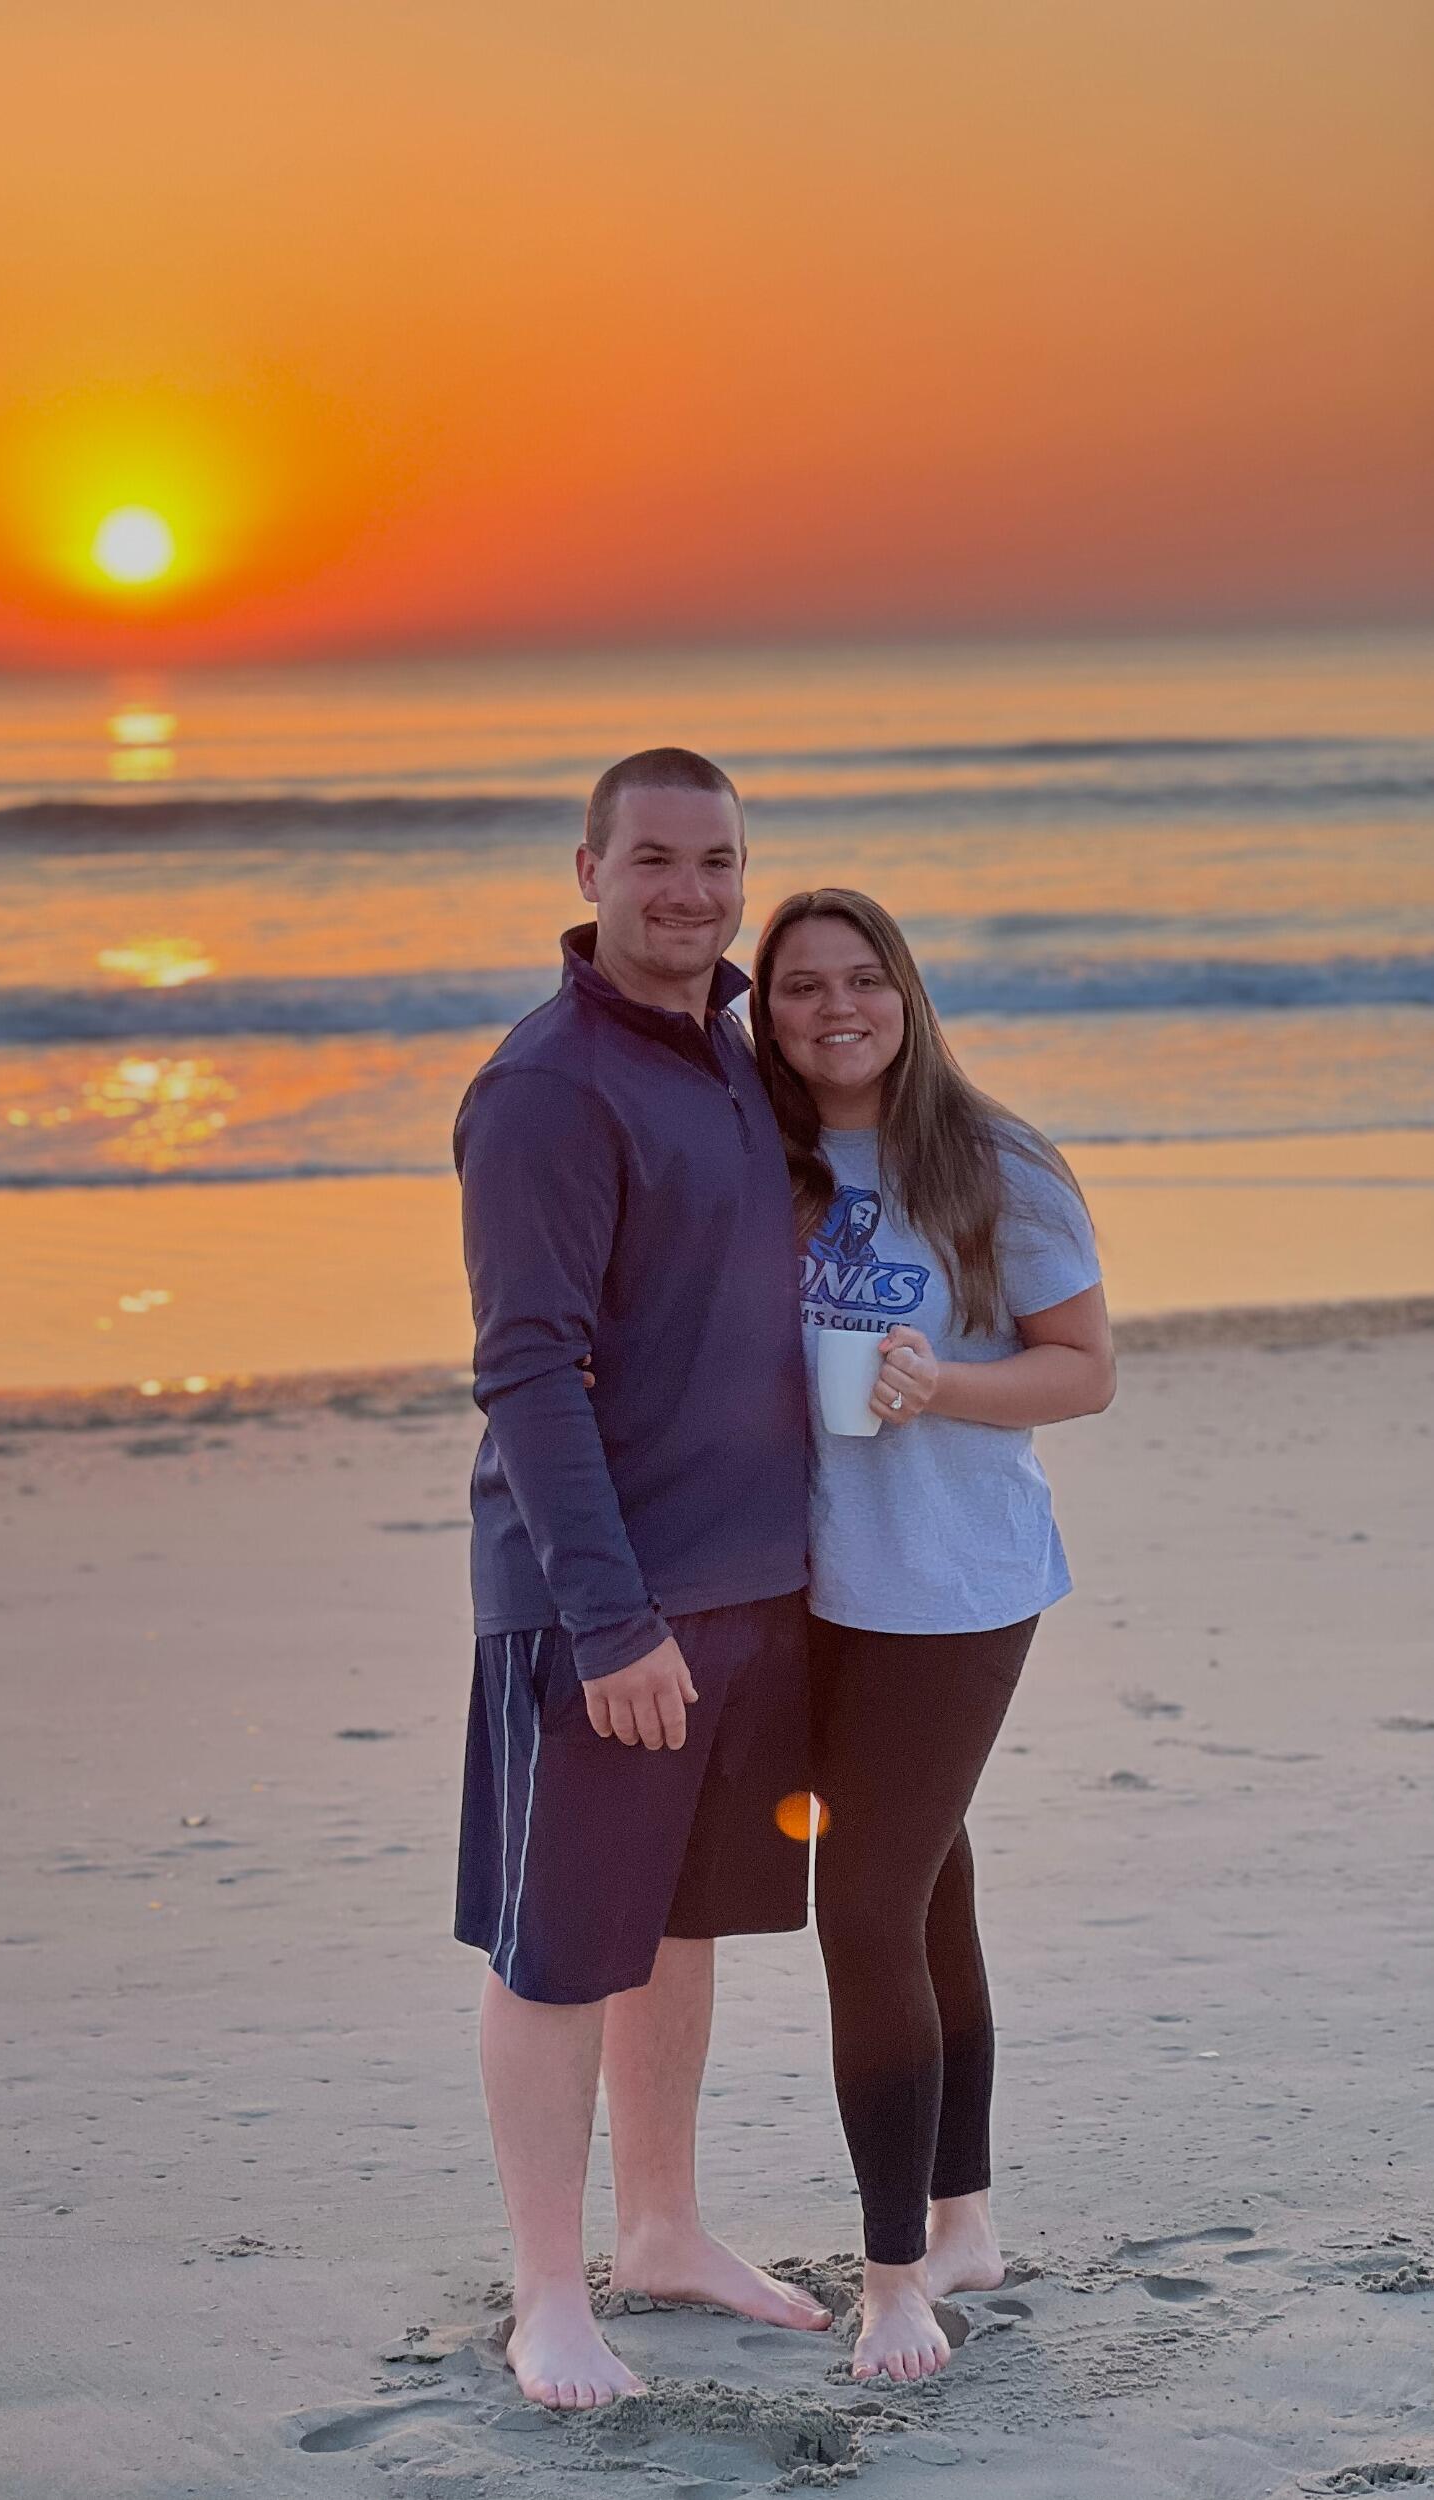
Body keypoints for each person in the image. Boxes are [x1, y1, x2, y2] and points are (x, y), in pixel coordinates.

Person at [452, 749, 829, 2410]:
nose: (692, 890)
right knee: (559, 1946)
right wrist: (611, 1622)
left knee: (680, 1924)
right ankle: (549, 2292)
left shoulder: (739, 1054)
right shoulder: (547, 1088)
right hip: (600, 1607)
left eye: (719, 860)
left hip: (753, 1589)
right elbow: (528, 1371)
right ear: (589, 869)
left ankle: (663, 2230)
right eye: (657, 858)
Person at [748, 886, 1116, 2386]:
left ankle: (895, 2277)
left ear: (905, 993)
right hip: (802, 1587)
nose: (835, 1009)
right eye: (799, 987)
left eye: (862, 980)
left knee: (863, 1903)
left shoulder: (994, 1161)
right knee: (927, 1886)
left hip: (953, 1586)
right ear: (765, 1014)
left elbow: (1083, 1369)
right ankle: (962, 2219)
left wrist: (941, 1387)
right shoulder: (759, 1159)